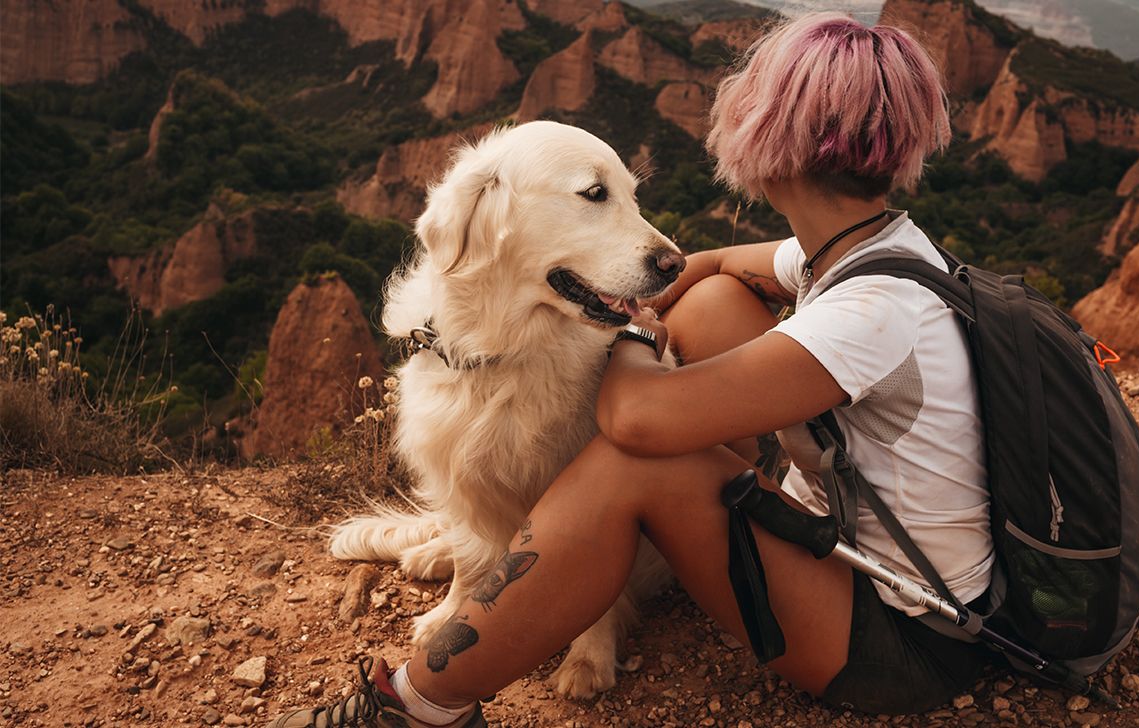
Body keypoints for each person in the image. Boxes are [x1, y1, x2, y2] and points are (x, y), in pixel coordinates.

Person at [270, 12, 994, 727]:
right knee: (712, 302)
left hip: (905, 641)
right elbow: (706, 268)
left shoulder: (871, 313)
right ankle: (534, 560)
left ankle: (421, 705)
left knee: (632, 459)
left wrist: (632, 330)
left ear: (776, 139)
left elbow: (634, 421)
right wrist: (633, 293)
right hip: (858, 552)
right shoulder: (862, 253)